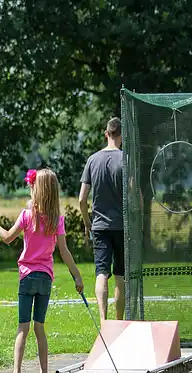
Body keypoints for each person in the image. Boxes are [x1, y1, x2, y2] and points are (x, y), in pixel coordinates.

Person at [0, 168, 84, 373]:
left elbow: (8, 238)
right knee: (40, 327)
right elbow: (64, 251)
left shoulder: (27, 216)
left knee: (23, 327)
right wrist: (77, 276)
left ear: (34, 190)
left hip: (27, 276)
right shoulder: (57, 220)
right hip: (45, 278)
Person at [79, 117, 125, 321]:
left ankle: (104, 321)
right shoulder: (126, 159)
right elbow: (136, 196)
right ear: (121, 135)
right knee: (121, 276)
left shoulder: (92, 160)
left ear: (106, 134)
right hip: (123, 226)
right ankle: (119, 321)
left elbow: (82, 199)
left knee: (101, 272)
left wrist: (88, 222)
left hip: (99, 226)